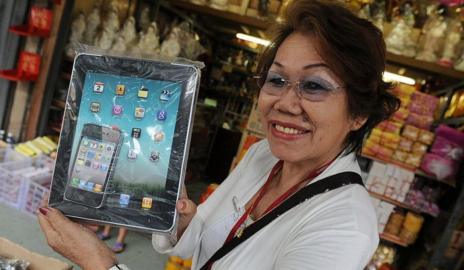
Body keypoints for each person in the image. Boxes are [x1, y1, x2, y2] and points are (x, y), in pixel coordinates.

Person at [38, 1, 400, 269]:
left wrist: (102, 264)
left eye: (315, 85)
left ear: (360, 113)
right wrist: (168, 204)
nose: (286, 103)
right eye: (276, 79)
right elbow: (197, 240)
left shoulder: (344, 226)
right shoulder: (264, 155)